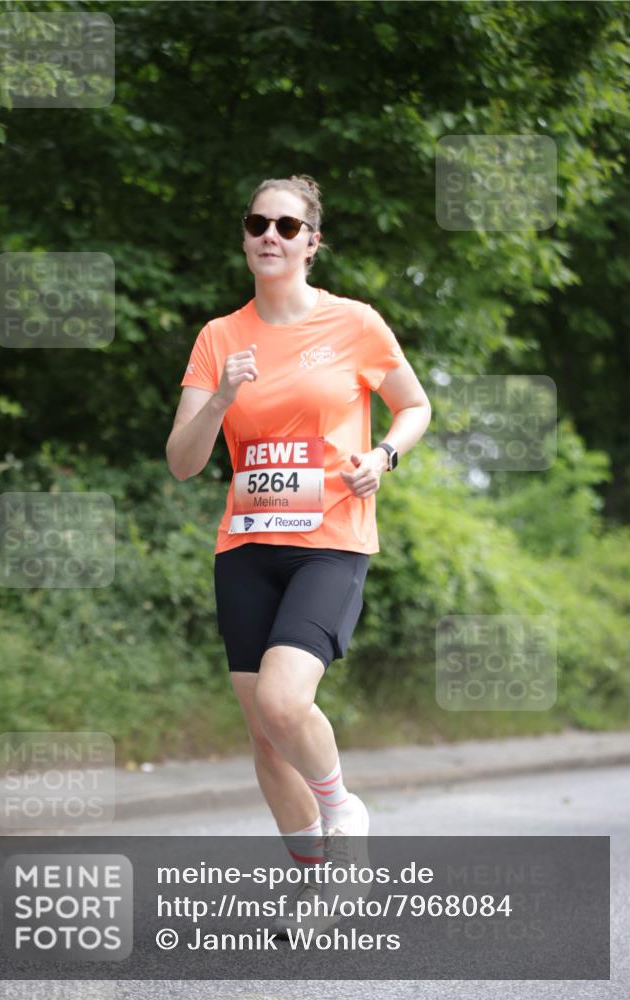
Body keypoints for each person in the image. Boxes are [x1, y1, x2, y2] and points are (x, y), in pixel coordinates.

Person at [166, 174, 431, 934]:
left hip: (330, 541)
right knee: (263, 736)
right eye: (257, 223)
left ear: (312, 241)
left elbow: (414, 405)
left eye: (287, 226)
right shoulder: (219, 337)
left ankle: (344, 810)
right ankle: (318, 884)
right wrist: (219, 398)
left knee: (286, 702)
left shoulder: (355, 324)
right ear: (245, 237)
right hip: (246, 546)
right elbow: (182, 462)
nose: (270, 237)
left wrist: (382, 455)